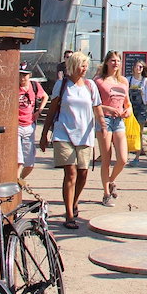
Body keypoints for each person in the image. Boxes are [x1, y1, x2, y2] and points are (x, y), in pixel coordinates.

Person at [39, 51, 104, 229]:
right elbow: (52, 110)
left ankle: (74, 201)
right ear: (73, 66)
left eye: (86, 65)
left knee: (83, 173)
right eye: (82, 65)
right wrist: (44, 134)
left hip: (84, 134)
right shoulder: (62, 85)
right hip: (63, 132)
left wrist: (103, 127)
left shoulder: (90, 85)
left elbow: (97, 107)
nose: (85, 69)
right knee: (71, 173)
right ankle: (69, 215)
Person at [94, 51, 131, 205]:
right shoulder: (98, 81)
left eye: (118, 61)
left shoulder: (123, 81)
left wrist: (128, 111)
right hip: (105, 120)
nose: (115, 63)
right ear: (107, 62)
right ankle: (106, 194)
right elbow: (93, 104)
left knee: (122, 159)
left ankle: (111, 180)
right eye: (112, 60)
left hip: (119, 121)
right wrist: (108, 109)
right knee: (106, 159)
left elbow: (127, 103)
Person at [17, 66, 48, 188]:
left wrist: (39, 111)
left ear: (29, 75)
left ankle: (19, 180)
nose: (22, 78)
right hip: (17, 126)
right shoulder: (14, 86)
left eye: (25, 75)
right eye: (20, 74)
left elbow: (45, 96)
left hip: (29, 125)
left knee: (29, 163)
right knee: (19, 161)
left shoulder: (34, 86)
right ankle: (16, 185)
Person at [126, 60, 147, 165]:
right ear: (133, 68)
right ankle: (125, 155)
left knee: (139, 133)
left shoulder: (145, 81)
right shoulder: (128, 80)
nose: (139, 69)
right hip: (129, 109)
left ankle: (137, 157)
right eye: (137, 66)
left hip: (141, 109)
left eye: (141, 67)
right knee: (126, 132)